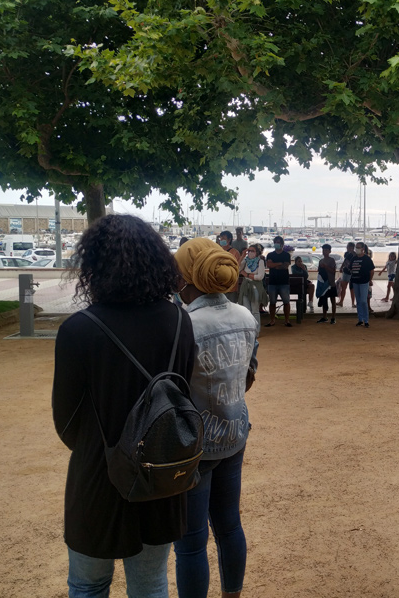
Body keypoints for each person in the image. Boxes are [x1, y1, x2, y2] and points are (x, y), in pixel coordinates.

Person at [52, 214, 196, 597]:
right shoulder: (180, 320)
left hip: (99, 473)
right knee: (150, 585)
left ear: (93, 265)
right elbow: (184, 395)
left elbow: (65, 421)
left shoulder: (78, 330)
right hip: (161, 472)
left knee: (88, 585)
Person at [173, 238, 258, 598]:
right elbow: (249, 376)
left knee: (190, 543)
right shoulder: (245, 317)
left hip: (194, 443)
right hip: (234, 433)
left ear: (187, 278)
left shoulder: (184, 324)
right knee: (229, 526)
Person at [238, 244, 268, 335]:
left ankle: (256, 331)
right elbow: (237, 268)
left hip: (255, 287)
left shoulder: (260, 261)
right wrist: (242, 255)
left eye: (252, 251)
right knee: (246, 310)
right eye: (249, 251)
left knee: (255, 310)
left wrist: (246, 274)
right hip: (245, 286)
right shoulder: (245, 260)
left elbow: (260, 276)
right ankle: (248, 330)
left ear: (257, 252)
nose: (250, 253)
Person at [265, 236, 292, 327]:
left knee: (286, 302)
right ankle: (272, 320)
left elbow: (285, 266)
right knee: (272, 302)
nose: (277, 243)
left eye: (278, 242)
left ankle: (287, 320)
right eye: (275, 242)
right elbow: (269, 265)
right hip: (272, 282)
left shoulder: (286, 255)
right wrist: (280, 263)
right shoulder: (270, 255)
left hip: (284, 282)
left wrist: (274, 265)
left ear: (282, 244)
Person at [350, 241, 375, 327]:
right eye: (356, 247)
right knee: (358, 301)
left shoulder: (367, 259)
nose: (356, 249)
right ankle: (360, 319)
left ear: (363, 249)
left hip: (364, 282)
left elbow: (371, 271)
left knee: (364, 301)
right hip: (355, 282)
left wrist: (370, 280)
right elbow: (350, 269)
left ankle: (366, 320)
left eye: (358, 247)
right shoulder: (353, 258)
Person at [316, 244, 338, 324]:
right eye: (323, 250)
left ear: (329, 251)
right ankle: (324, 316)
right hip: (323, 283)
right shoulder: (320, 261)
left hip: (331, 283)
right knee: (324, 299)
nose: (324, 251)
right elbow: (319, 272)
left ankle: (333, 317)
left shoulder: (332, 260)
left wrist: (325, 267)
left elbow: (333, 271)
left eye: (326, 250)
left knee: (333, 300)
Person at [337, 242, 356, 307]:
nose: (347, 248)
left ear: (352, 247)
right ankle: (341, 302)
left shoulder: (355, 255)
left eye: (349, 247)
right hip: (346, 272)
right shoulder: (346, 253)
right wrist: (341, 267)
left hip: (352, 273)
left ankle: (353, 303)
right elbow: (345, 261)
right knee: (343, 287)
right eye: (347, 247)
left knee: (352, 288)